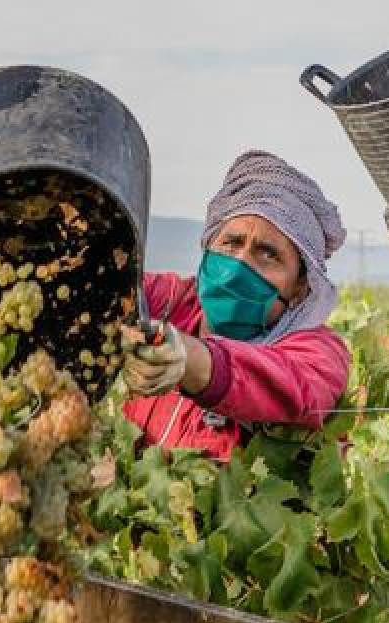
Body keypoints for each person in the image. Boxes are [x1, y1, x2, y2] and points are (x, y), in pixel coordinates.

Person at [119, 150, 351, 461]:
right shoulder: (175, 302)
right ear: (209, 244)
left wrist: (192, 358)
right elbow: (106, 287)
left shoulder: (317, 353)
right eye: (231, 242)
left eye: (268, 254)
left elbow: (291, 386)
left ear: (299, 288)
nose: (240, 262)